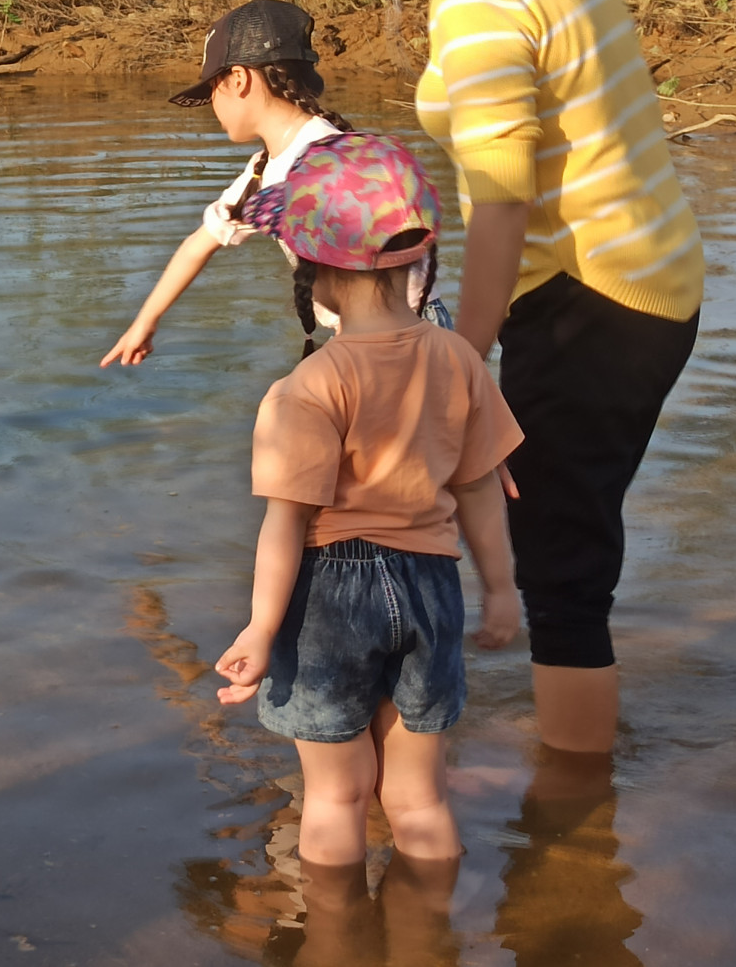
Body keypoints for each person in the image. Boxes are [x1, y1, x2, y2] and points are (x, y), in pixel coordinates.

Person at [310, 0, 704, 753]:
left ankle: (570, 825)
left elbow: (498, 200)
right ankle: (568, 783)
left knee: (561, 572)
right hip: (647, 281)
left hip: (588, 297)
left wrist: (457, 360)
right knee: (562, 545)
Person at [213, 132, 523, 870]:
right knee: (419, 799)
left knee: (334, 798)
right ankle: (429, 939)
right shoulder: (459, 361)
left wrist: (259, 630)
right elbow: (480, 488)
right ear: (418, 258)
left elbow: (285, 524)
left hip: (330, 594)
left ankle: (336, 943)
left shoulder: (307, 388)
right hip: (432, 583)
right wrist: (503, 590)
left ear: (313, 271)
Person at [102, 0, 358, 367]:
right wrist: (144, 323)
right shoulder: (264, 168)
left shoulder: (322, 161)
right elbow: (198, 245)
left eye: (211, 92)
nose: (211, 106)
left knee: (281, 411)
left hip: (388, 334)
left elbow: (377, 275)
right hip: (371, 334)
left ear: (238, 79)